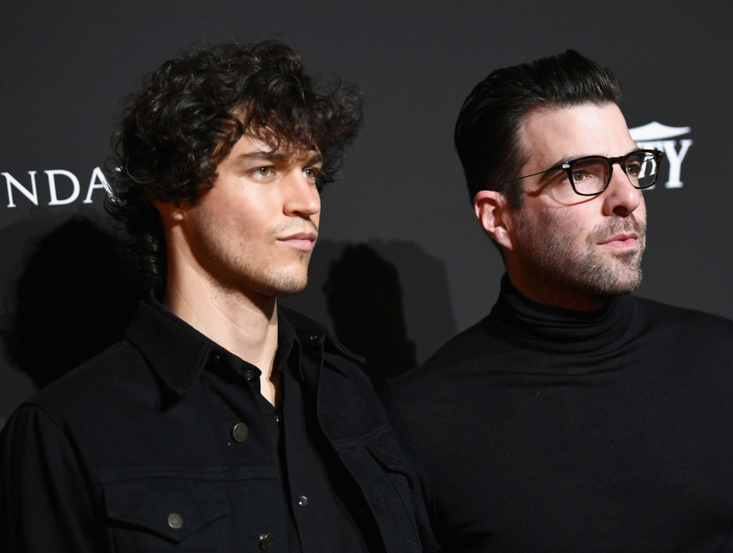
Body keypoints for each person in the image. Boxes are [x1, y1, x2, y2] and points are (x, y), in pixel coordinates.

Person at [0, 40, 424, 553]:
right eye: (264, 169)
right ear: (174, 192)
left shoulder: (349, 390)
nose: (307, 201)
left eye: (310, 171)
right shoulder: (67, 429)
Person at [386, 50, 733, 552]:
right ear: (498, 217)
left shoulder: (720, 356)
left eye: (630, 165)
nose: (626, 197)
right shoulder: (420, 418)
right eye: (581, 173)